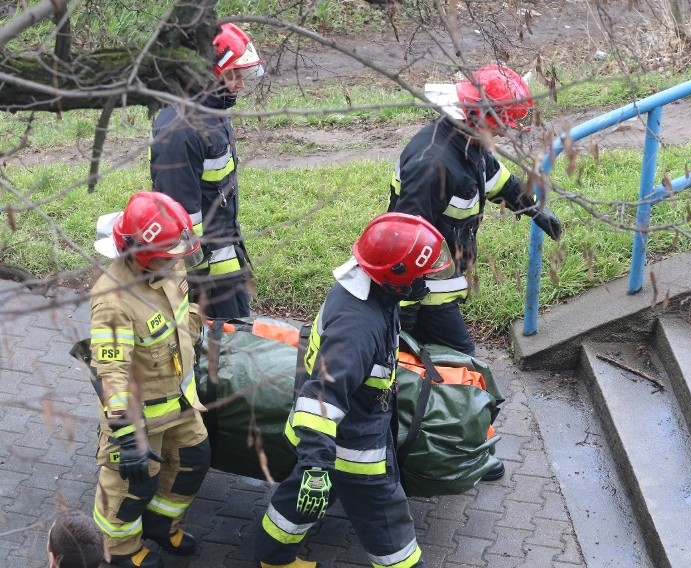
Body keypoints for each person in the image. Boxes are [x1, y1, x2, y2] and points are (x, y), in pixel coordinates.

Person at [388, 63, 562, 480]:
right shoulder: (432, 165)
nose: (504, 133)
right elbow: (406, 240)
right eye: (503, 123)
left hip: (437, 286)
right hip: (422, 292)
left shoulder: (466, 145)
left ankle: (432, 444)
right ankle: (471, 451)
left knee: (426, 370)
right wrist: (407, 306)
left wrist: (530, 206)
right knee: (466, 369)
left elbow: (494, 178)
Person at [254, 212, 455, 568]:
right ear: (395, 279)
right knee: (384, 518)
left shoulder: (367, 289)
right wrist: (317, 462)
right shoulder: (358, 327)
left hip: (341, 432)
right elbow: (323, 395)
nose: (426, 283)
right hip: (354, 445)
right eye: (420, 277)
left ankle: (273, 557)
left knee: (306, 494)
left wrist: (315, 467)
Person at [89, 191, 211, 568]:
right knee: (130, 487)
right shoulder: (113, 300)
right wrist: (126, 435)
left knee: (192, 459)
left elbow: (183, 314)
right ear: (139, 252)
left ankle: (160, 524)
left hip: (180, 401)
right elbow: (111, 372)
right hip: (139, 418)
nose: (176, 259)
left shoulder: (167, 262)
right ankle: (120, 552)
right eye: (167, 253)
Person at [150, 22, 265, 320]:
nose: (240, 84)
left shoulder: (212, 110)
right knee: (217, 348)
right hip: (204, 274)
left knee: (236, 339)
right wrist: (198, 284)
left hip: (224, 256)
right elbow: (180, 221)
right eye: (233, 74)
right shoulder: (180, 131)